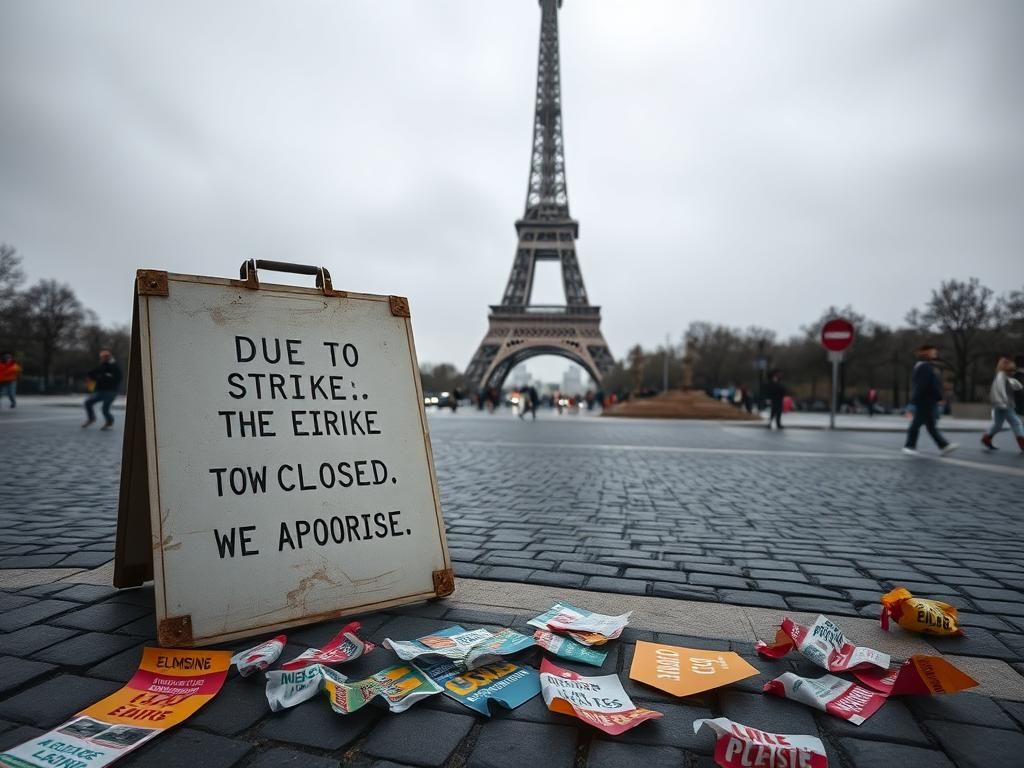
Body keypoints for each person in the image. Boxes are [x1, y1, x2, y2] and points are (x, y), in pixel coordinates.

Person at [903, 345, 958, 456]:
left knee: (930, 425)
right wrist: (938, 397)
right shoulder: (925, 367)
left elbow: (926, 385)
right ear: (925, 353)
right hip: (925, 400)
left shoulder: (924, 366)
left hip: (926, 399)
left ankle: (943, 445)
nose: (935, 353)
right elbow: (925, 385)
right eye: (933, 351)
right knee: (917, 423)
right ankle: (909, 446)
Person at [981, 357, 1024, 452]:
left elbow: (1016, 386)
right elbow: (999, 390)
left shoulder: (1005, 377)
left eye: (1014, 370)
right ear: (1004, 369)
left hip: (1000, 405)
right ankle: (1022, 443)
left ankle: (986, 439)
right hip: (1004, 405)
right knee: (1016, 423)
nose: (1013, 372)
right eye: (1010, 370)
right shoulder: (1001, 377)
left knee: (997, 425)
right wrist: (1004, 403)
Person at [83, 349, 123, 430]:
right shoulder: (102, 365)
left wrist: (104, 377)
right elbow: (93, 373)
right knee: (88, 403)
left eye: (103, 357)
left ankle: (109, 422)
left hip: (111, 391)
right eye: (100, 357)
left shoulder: (114, 366)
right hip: (100, 391)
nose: (101, 359)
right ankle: (91, 418)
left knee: (105, 409)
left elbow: (118, 378)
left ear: (108, 357)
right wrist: (89, 376)